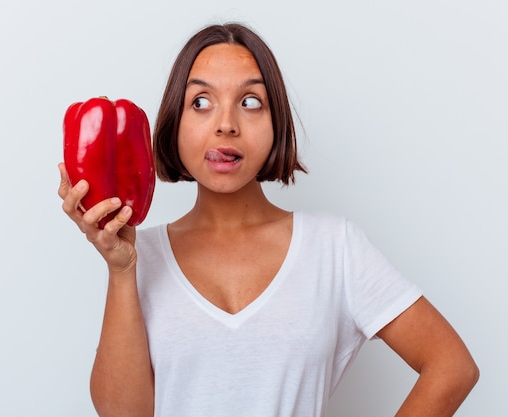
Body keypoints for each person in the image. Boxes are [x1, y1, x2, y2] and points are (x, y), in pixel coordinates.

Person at [58, 22, 479, 417]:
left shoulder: (334, 247)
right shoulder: (138, 256)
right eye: (201, 102)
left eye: (250, 102)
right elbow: (123, 414)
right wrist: (121, 270)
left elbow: (451, 365)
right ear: (175, 122)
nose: (226, 124)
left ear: (276, 122)